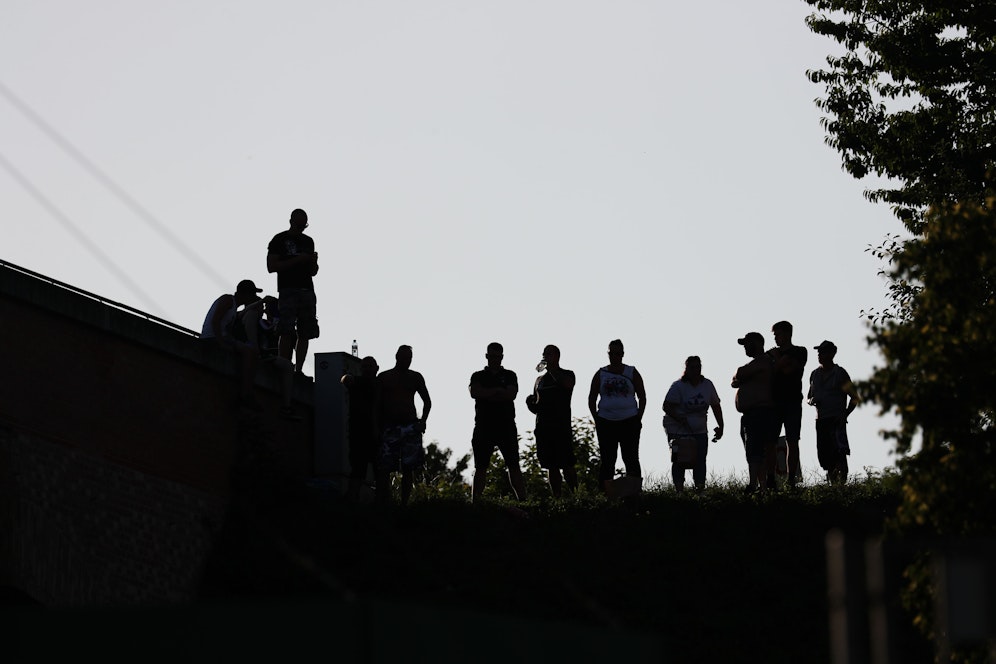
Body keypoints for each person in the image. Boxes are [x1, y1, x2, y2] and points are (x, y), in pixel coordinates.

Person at [587, 339, 647, 493]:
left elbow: (642, 396)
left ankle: (634, 492)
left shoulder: (631, 372)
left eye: (618, 353)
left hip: (629, 421)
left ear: (623, 354)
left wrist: (638, 417)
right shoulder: (601, 374)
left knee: (631, 458)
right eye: (611, 353)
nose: (614, 356)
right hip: (606, 422)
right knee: (608, 460)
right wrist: (597, 418)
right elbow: (592, 397)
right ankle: (605, 493)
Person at [469, 342, 527, 502]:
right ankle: (476, 502)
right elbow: (475, 392)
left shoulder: (510, 375)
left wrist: (487, 393)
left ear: (502, 357)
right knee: (480, 467)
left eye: (497, 356)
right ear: (487, 356)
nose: (495, 359)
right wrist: (498, 391)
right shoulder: (477, 376)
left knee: (514, 465)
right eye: (492, 356)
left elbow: (511, 394)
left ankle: (523, 502)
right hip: (483, 425)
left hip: (506, 425)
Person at [266, 208, 319, 376]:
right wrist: (299, 259)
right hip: (288, 289)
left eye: (304, 226)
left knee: (305, 331)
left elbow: (313, 271)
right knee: (286, 329)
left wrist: (313, 262)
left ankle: (298, 370)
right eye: (299, 225)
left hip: (306, 289)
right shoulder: (279, 240)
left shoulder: (308, 241)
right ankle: (284, 365)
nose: (301, 229)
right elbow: (271, 266)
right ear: (291, 222)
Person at [376, 345, 431, 505]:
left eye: (409, 358)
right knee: (385, 468)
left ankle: (404, 504)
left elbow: (427, 401)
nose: (406, 360)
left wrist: (423, 421)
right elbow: (376, 404)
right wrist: (377, 425)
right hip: (389, 426)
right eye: (404, 357)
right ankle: (384, 501)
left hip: (410, 426)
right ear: (396, 357)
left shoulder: (415, 377)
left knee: (408, 468)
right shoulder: (385, 377)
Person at [200, 279, 265, 410]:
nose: (253, 297)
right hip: (212, 338)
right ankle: (245, 392)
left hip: (220, 337)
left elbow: (227, 327)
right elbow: (215, 321)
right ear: (245, 294)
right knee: (248, 352)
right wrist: (221, 342)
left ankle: (248, 390)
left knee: (251, 352)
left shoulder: (234, 306)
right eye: (252, 294)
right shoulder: (228, 300)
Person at [662, 356, 724, 492]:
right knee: (679, 460)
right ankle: (679, 491)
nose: (696, 370)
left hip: (700, 429)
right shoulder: (678, 386)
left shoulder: (707, 385)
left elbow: (716, 405)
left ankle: (700, 489)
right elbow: (666, 406)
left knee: (700, 459)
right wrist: (680, 418)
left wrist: (721, 426)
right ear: (687, 369)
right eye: (692, 367)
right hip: (678, 429)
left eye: (698, 367)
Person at [525, 345, 577, 498]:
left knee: (567, 464)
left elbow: (568, 385)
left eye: (549, 354)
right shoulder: (539, 380)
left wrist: (552, 370)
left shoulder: (567, 374)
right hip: (544, 428)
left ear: (557, 356)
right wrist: (530, 405)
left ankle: (577, 496)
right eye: (544, 354)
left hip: (561, 427)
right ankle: (557, 498)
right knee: (551, 466)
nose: (545, 357)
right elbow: (537, 406)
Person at [807, 340, 859, 485]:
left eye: (823, 352)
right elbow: (808, 396)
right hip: (821, 420)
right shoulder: (814, 374)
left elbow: (855, 397)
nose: (820, 355)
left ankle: (841, 486)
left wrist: (845, 414)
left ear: (832, 353)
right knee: (825, 456)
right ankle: (833, 485)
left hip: (836, 420)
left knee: (839, 454)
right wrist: (811, 401)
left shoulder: (840, 373)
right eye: (819, 352)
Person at [732, 332, 778, 493]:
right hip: (751, 414)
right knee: (753, 450)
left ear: (757, 343)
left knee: (756, 449)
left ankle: (756, 484)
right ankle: (761, 485)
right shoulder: (756, 364)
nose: (745, 347)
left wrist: (743, 376)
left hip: (760, 412)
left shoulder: (764, 361)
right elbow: (735, 380)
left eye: (747, 343)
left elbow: (739, 374)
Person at [768, 321, 808, 487]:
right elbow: (774, 371)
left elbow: (789, 371)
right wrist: (781, 362)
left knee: (792, 440)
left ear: (787, 334)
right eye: (775, 335)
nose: (776, 338)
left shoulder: (799, 351)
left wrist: (777, 359)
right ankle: (770, 478)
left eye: (778, 334)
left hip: (792, 401)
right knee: (770, 441)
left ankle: (791, 479)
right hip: (774, 402)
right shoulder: (771, 354)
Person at [341, 356, 380, 501]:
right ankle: (352, 500)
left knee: (380, 471)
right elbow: (345, 379)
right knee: (357, 471)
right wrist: (347, 377)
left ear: (377, 368)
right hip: (358, 434)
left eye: (370, 366)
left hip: (377, 434)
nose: (368, 369)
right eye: (365, 366)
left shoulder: (380, 384)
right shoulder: (356, 382)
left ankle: (382, 503)